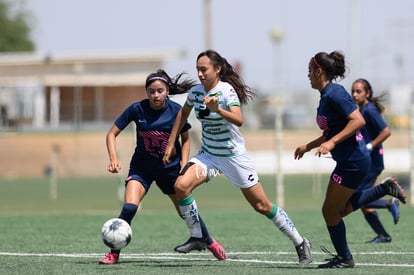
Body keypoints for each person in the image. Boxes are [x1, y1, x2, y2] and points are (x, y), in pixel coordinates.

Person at [162, 49, 313, 264]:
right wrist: (170, 143)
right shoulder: (196, 92)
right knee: (181, 186)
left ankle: (300, 242)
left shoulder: (226, 91)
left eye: (204, 69)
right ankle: (198, 235)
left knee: (261, 205)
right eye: (198, 69)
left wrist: (219, 110)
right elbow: (182, 114)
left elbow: (238, 119)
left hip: (234, 157)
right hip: (209, 155)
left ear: (217, 69)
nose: (200, 73)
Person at [99, 69, 227, 264]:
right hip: (141, 169)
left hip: (169, 170)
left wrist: (184, 163)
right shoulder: (137, 109)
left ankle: (209, 242)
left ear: (167, 91)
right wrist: (113, 158)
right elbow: (111, 134)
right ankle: (113, 254)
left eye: (160, 90)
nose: (155, 95)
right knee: (129, 207)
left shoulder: (176, 110)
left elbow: (185, 140)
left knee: (185, 213)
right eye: (151, 91)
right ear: (146, 91)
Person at [294, 51, 406, 268]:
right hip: (350, 161)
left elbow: (358, 120)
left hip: (354, 161)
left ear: (319, 71)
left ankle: (345, 258)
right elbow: (332, 129)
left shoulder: (335, 93)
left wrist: (332, 143)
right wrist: (308, 146)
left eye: (310, 71)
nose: (308, 75)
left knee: (329, 212)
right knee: (339, 211)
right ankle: (384, 189)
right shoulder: (327, 95)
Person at [351, 78, 400, 243]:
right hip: (367, 160)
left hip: (372, 162)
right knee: (363, 200)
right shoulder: (362, 110)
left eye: (359, 91)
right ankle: (382, 235)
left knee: (357, 197)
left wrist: (370, 146)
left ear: (367, 93)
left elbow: (386, 131)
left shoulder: (369, 110)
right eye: (353, 91)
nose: (354, 94)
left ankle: (389, 203)